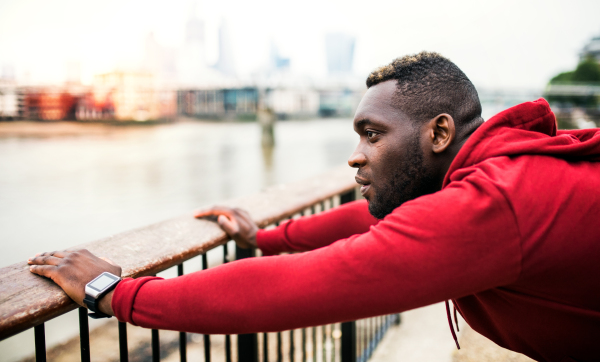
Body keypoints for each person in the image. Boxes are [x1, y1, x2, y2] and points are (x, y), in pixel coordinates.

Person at [28, 52, 600, 362]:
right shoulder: (495, 178)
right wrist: (267, 238)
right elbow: (370, 227)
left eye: (372, 135)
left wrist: (114, 292)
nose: (355, 157)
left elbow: (302, 285)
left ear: (440, 132)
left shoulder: (494, 201)